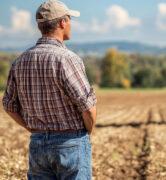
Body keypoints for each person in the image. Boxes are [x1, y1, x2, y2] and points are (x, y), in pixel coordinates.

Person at [2, 0, 97, 179]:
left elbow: (9, 106)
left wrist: (32, 128)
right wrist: (87, 134)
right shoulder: (68, 59)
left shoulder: (20, 61)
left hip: (38, 145)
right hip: (71, 142)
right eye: (69, 19)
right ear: (62, 23)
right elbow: (88, 108)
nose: (71, 24)